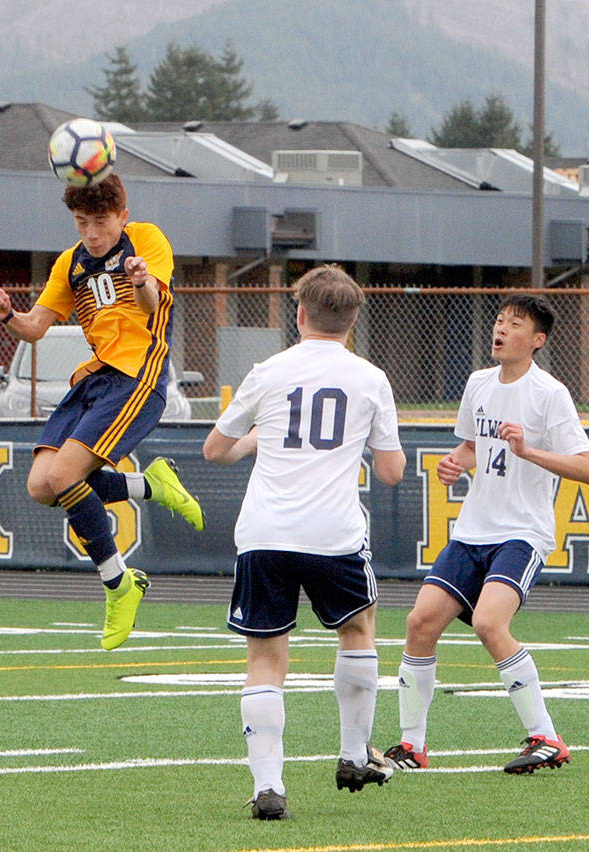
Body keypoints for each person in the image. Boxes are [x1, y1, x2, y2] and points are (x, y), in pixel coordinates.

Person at [203, 265, 406, 820]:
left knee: (266, 659)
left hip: (265, 531)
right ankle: (351, 754)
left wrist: (258, 437)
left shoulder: (267, 371)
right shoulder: (371, 378)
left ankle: (269, 787)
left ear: (299, 313)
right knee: (358, 631)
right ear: (353, 320)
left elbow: (214, 450)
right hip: (333, 533)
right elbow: (391, 471)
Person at [0, 173, 203, 651]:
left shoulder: (144, 239)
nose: (93, 234)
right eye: (83, 223)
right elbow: (35, 328)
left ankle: (118, 582)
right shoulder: (70, 262)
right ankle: (152, 486)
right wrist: (6, 315)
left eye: (101, 222)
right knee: (41, 486)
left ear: (122, 217)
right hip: (95, 377)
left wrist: (139, 280)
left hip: (137, 376)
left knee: (65, 475)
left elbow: (152, 304)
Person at [383, 293, 589, 775]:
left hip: (522, 532)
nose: (501, 330)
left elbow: (587, 469)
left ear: (537, 340)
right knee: (420, 623)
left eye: (515, 325)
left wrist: (529, 451)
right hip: (473, 530)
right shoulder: (479, 383)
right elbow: (471, 445)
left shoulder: (549, 394)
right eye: (500, 321)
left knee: (488, 623)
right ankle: (411, 747)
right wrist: (457, 463)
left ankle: (546, 738)